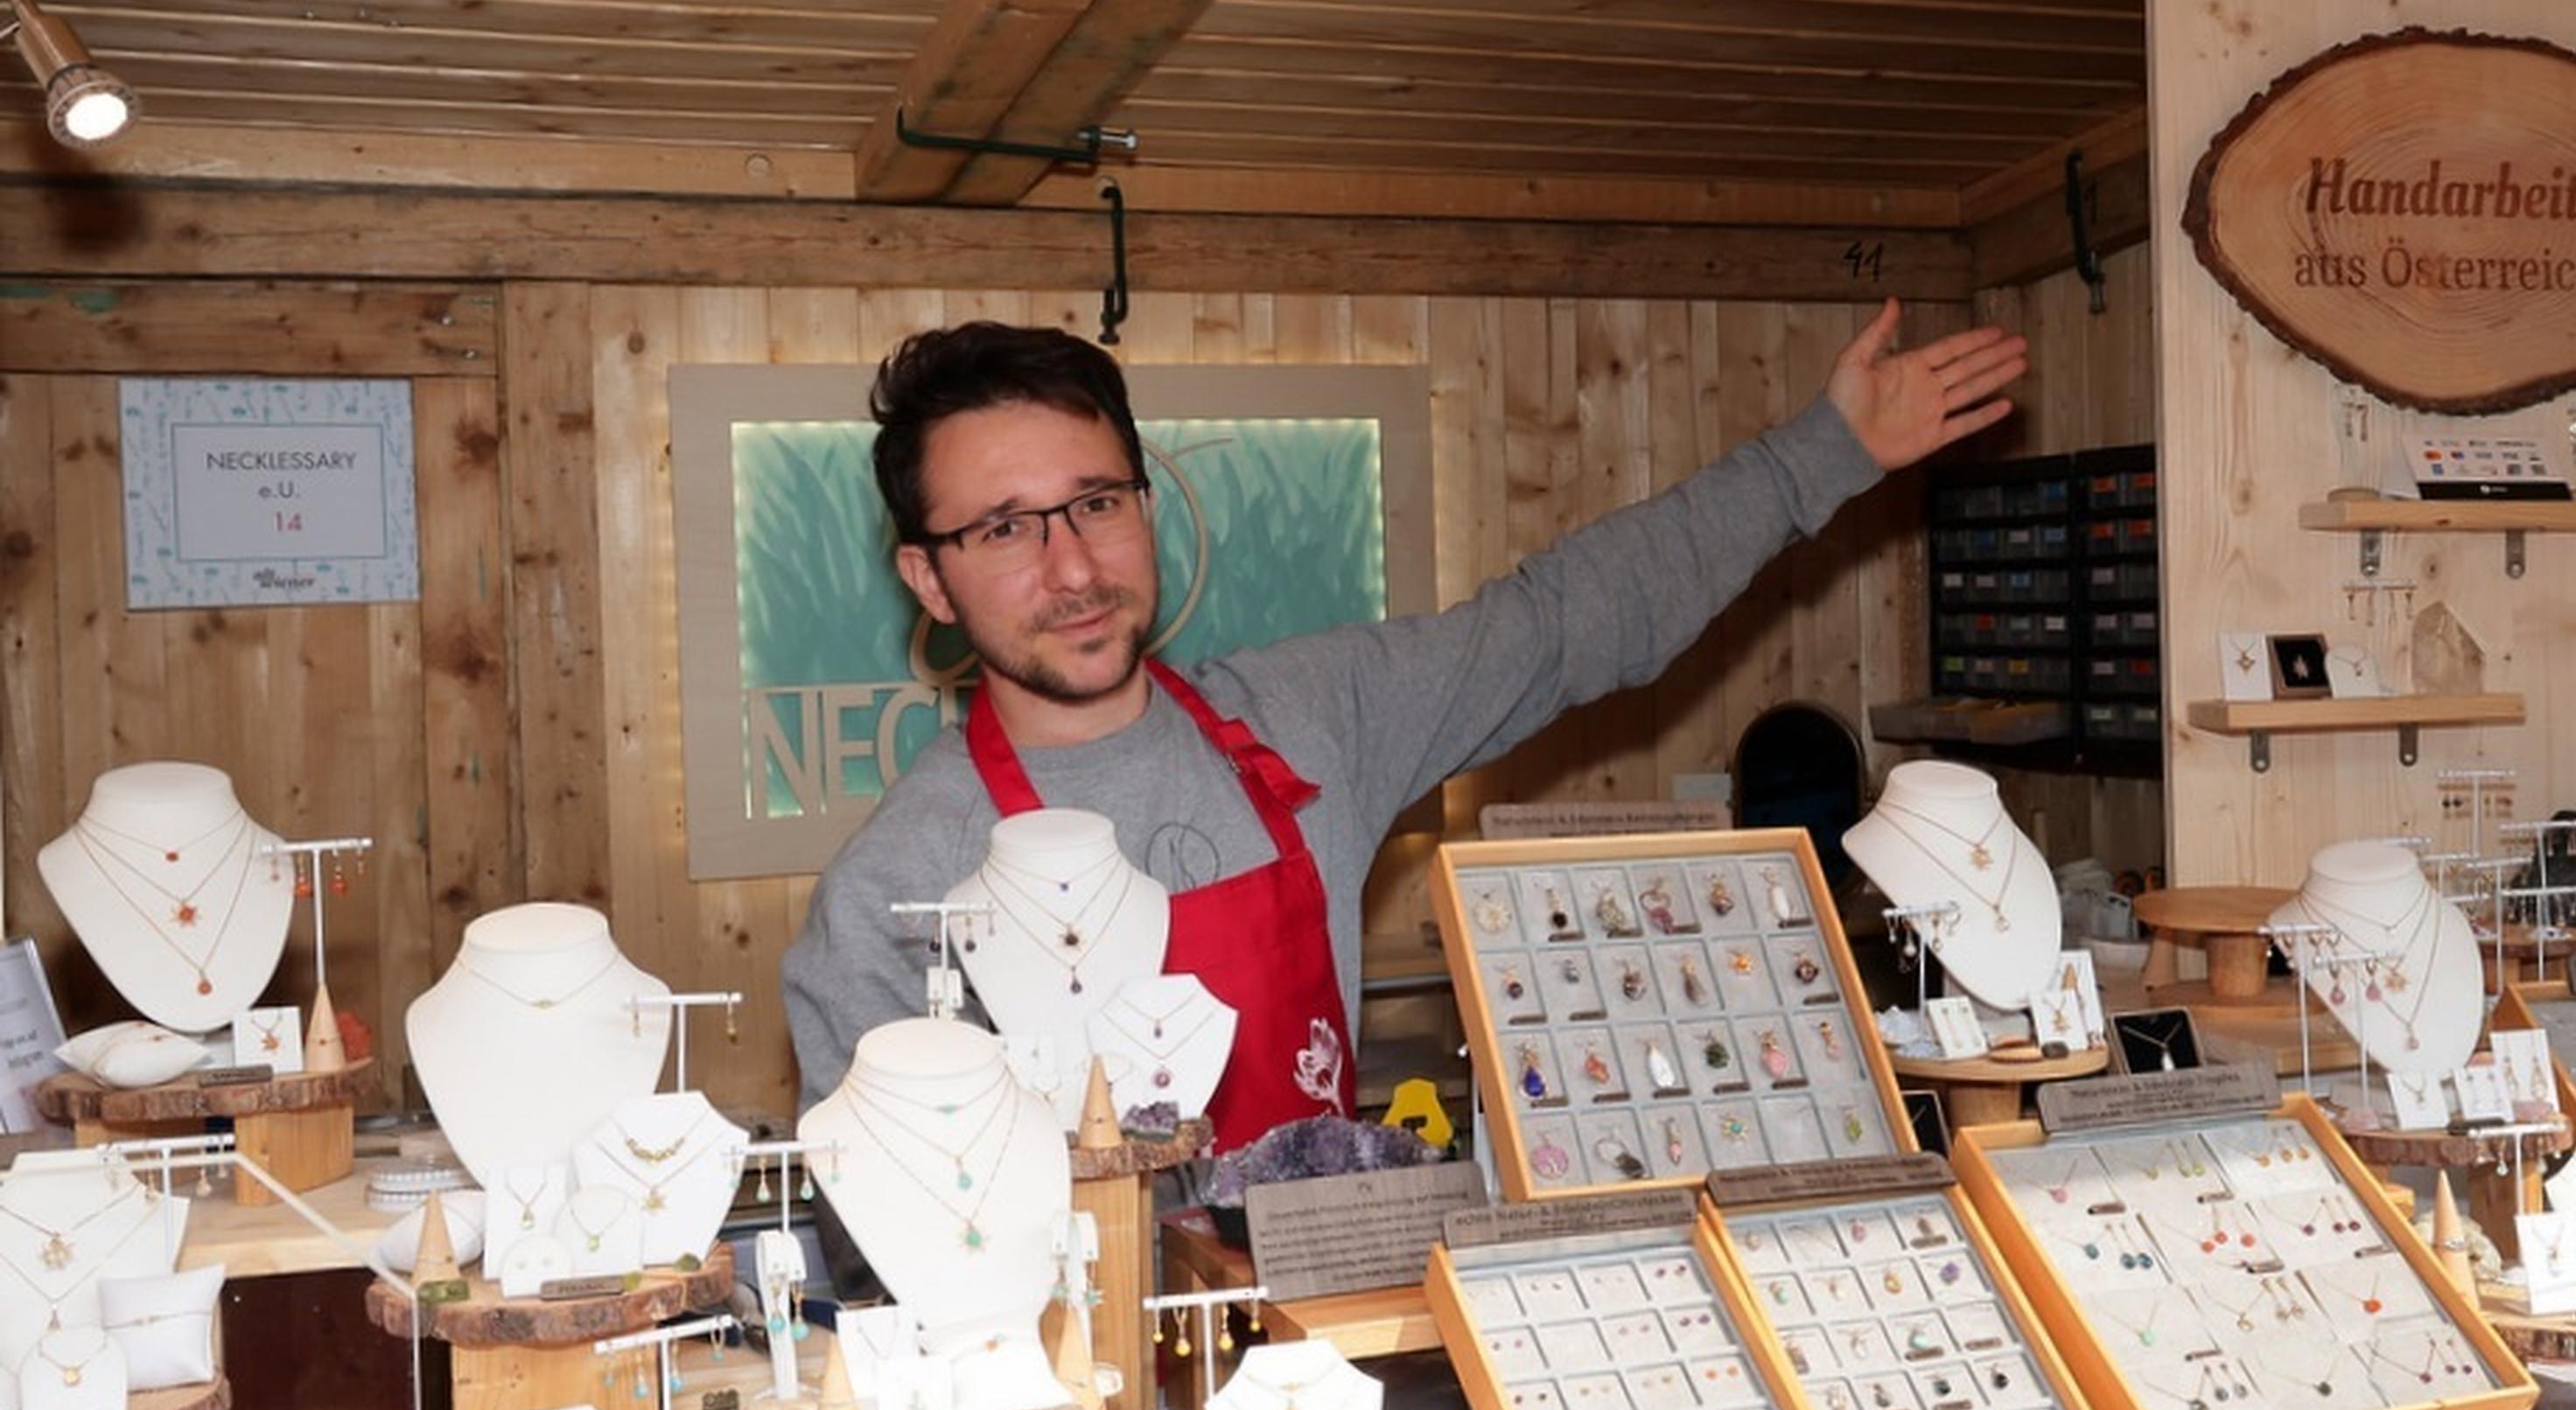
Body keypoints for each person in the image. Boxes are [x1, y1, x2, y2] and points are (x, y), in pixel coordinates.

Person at [780, 300, 2028, 1141]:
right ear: (931, 582)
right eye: (1003, 528)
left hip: (1339, 1338)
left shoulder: (1316, 716)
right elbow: (895, 1252)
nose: (1072, 566)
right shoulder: (893, 891)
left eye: (1097, 500)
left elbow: (1568, 621)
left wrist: (1820, 456)